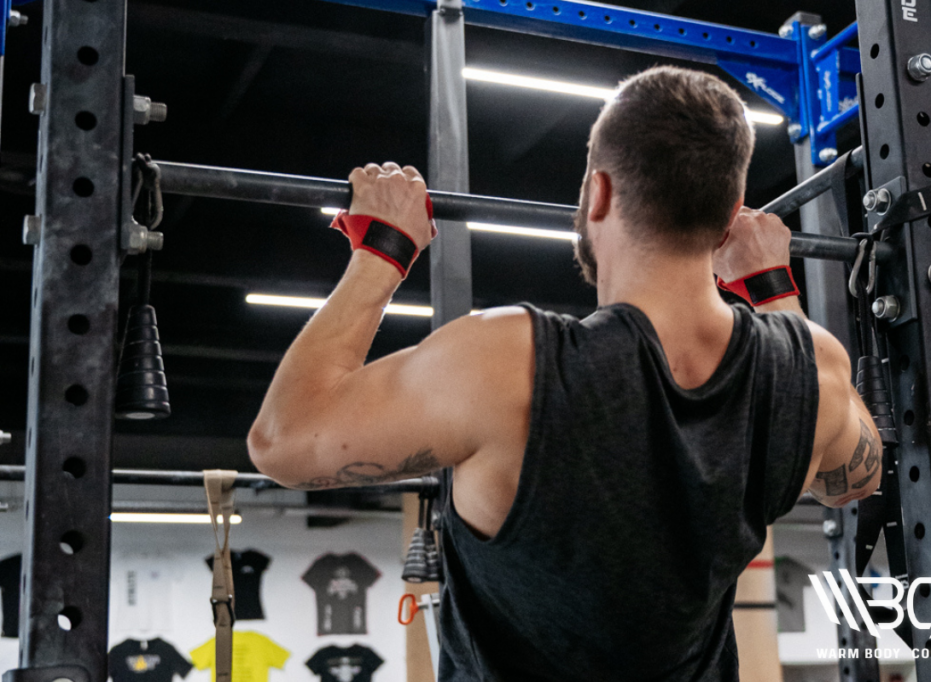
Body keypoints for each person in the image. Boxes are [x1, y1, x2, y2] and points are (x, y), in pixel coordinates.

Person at [248, 65, 882, 681]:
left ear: (597, 192)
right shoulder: (809, 367)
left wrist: (383, 247)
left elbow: (282, 441)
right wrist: (771, 285)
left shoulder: (509, 363)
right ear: (732, 211)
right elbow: (853, 477)